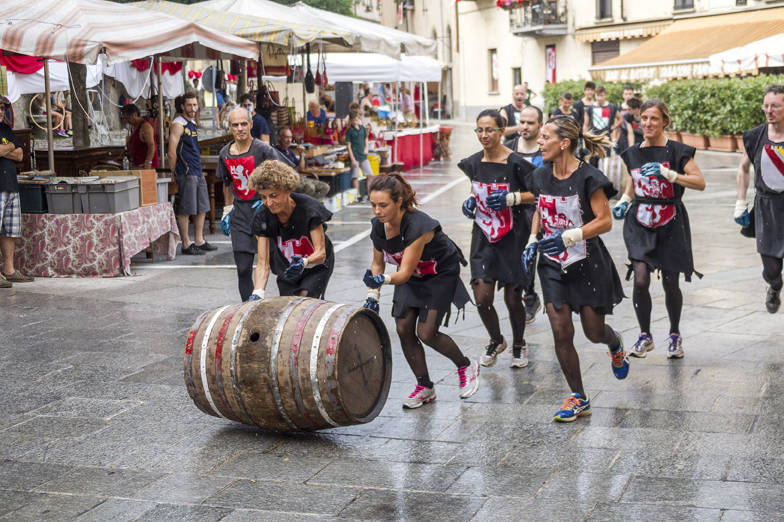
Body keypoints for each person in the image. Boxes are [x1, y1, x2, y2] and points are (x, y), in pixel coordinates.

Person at [522, 115, 627, 422]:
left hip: (587, 262)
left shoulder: (589, 177)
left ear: (564, 143)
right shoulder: (540, 175)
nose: (539, 142)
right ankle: (578, 397)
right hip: (553, 265)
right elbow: (542, 208)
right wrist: (532, 240)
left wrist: (569, 235)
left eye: (545, 137)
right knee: (560, 331)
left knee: (594, 332)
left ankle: (614, 343)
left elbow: (605, 221)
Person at [363, 173, 478, 408]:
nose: (377, 210)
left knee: (427, 333)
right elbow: (378, 261)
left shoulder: (419, 226)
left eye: (383, 205)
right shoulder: (378, 226)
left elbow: (403, 273)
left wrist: (380, 280)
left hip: (439, 274)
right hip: (412, 274)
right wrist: (372, 294)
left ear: (399, 202)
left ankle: (465, 365)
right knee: (404, 328)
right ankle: (425, 386)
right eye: (373, 205)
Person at [613, 99, 706, 359]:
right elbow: (634, 181)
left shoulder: (678, 151)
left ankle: (675, 335)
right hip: (640, 221)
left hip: (670, 220)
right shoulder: (632, 152)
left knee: (670, 282)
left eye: (654, 118)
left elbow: (700, 182)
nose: (648, 123)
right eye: (644, 118)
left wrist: (671, 175)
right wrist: (624, 201)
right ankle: (645, 335)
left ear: (665, 121)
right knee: (640, 279)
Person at [459, 109, 536, 369]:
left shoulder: (516, 163)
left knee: (513, 297)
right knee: (481, 295)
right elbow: (476, 187)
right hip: (483, 235)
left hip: (513, 235)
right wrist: (470, 200)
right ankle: (495, 339)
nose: (484, 135)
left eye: (489, 129)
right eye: (479, 130)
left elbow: (536, 193)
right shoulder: (472, 162)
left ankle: (518, 344)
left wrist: (511, 198)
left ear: (502, 131)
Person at [218, 107, 283, 301]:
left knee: (278, 265)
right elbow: (227, 185)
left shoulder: (263, 150)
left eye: (244, 124)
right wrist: (227, 210)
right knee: (243, 268)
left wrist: (269, 202)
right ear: (229, 127)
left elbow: (282, 180)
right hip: (240, 214)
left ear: (251, 125)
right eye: (235, 124)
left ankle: (288, 304)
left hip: (265, 212)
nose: (240, 128)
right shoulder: (225, 154)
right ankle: (248, 309)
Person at [248, 160, 334, 300]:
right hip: (286, 265)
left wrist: (303, 263)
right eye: (264, 197)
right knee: (289, 307)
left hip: (315, 265)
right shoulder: (262, 216)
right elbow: (263, 264)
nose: (269, 203)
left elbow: (321, 254)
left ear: (288, 190)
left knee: (305, 301)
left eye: (274, 195)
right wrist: (257, 293)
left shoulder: (309, 209)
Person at [735, 84, 784, 314]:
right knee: (771, 268)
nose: (769, 110)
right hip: (767, 208)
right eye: (766, 105)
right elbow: (743, 168)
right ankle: (774, 286)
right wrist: (741, 202)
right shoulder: (755, 136)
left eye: (775, 105)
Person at [504, 105, 544, 323]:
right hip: (511, 212)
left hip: (538, 212)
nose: (525, 127)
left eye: (530, 123)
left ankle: (530, 296)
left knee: (530, 256)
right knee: (516, 259)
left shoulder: (545, 150)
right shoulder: (509, 148)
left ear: (540, 124)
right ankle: (528, 295)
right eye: (522, 122)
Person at [168, 92, 215, 255]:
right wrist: (173, 173)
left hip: (197, 170)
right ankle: (186, 244)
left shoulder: (192, 123)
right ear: (182, 106)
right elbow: (171, 152)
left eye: (195, 105)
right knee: (186, 209)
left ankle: (199, 240)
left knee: (202, 207)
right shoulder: (178, 124)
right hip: (186, 172)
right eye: (190, 105)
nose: (193, 108)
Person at [0, 95, 33, 288]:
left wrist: (8, 147)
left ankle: (9, 270)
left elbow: (20, 155)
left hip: (10, 185)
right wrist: (11, 148)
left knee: (9, 231)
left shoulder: (5, 130)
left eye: (3, 108)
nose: (2, 111)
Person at [276, 126, 330, 199]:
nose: (289, 140)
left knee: (325, 187)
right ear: (279, 138)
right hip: (288, 181)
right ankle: (304, 207)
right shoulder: (276, 152)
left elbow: (301, 168)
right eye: (286, 137)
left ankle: (312, 206)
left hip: (298, 178)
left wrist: (301, 154)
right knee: (310, 188)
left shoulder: (290, 152)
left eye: (290, 137)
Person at [121, 104, 159, 170]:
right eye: (125, 119)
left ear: (135, 114)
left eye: (128, 118)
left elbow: (151, 145)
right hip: (138, 166)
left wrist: (148, 162)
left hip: (148, 167)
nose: (127, 121)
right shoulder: (133, 127)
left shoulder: (145, 126)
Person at [345, 112, 372, 199]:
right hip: (355, 156)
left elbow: (366, 138)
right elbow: (348, 146)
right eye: (353, 119)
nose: (355, 121)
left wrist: (366, 147)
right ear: (351, 121)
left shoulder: (362, 129)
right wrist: (352, 159)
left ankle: (369, 193)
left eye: (356, 119)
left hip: (363, 155)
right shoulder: (349, 131)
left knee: (370, 174)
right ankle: (357, 195)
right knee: (355, 176)